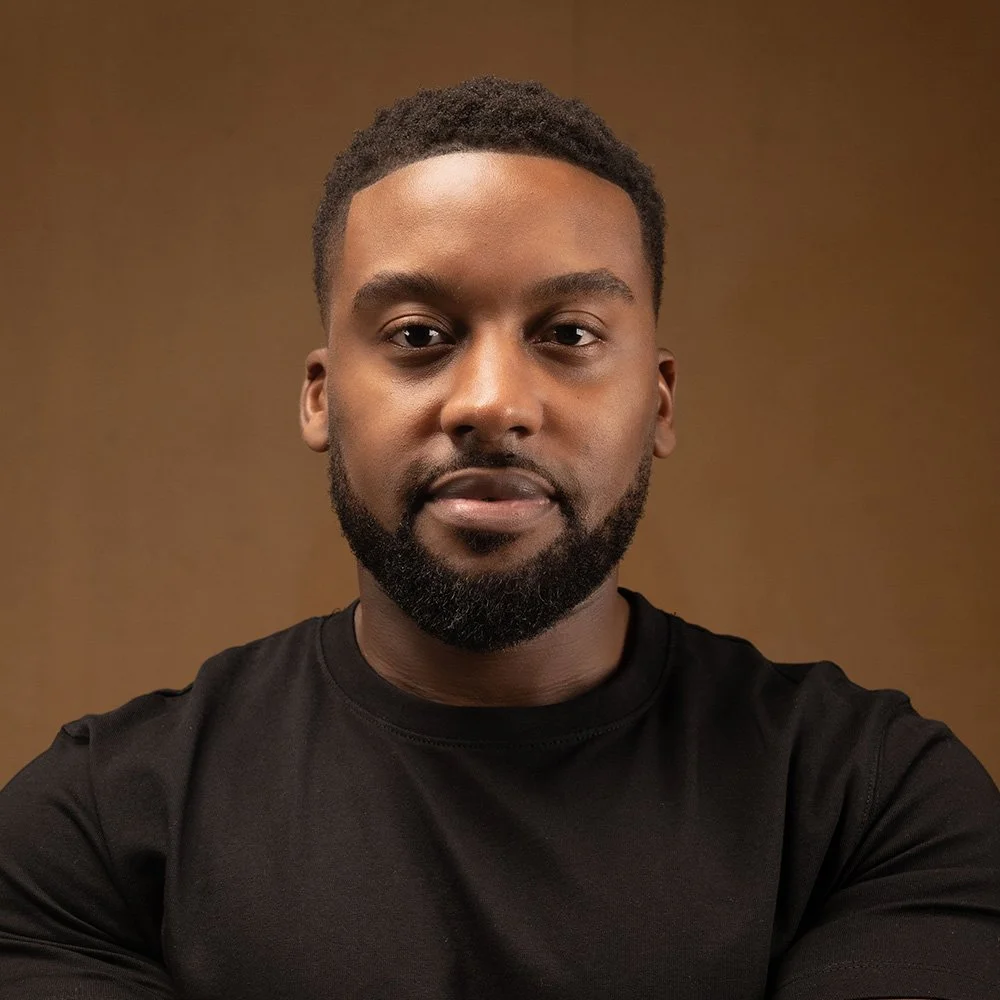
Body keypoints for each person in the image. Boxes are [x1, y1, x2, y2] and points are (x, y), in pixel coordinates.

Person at [0, 77, 997, 1000]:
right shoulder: (97, 831)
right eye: (418, 336)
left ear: (657, 401)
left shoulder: (872, 802)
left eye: (568, 335)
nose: (491, 402)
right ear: (320, 397)